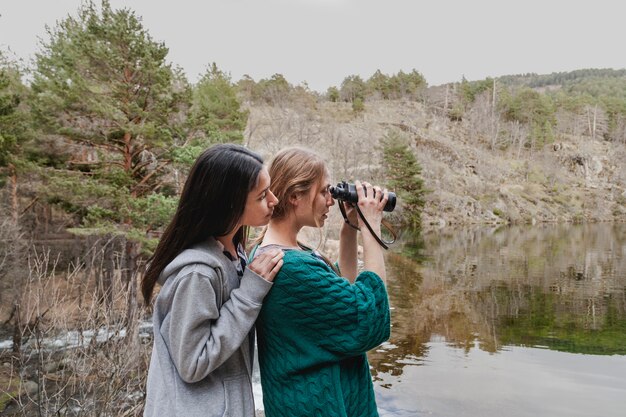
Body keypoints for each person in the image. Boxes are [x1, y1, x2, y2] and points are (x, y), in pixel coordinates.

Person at [142, 143, 284, 417]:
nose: (274, 200)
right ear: (229, 204)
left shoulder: (233, 252)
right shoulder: (197, 274)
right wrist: (249, 294)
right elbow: (191, 363)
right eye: (262, 195)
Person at [252, 147, 391, 417]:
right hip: (316, 405)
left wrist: (349, 231)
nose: (330, 200)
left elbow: (343, 291)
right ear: (295, 196)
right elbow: (370, 314)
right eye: (324, 191)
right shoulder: (292, 269)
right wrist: (371, 228)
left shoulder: (282, 252)